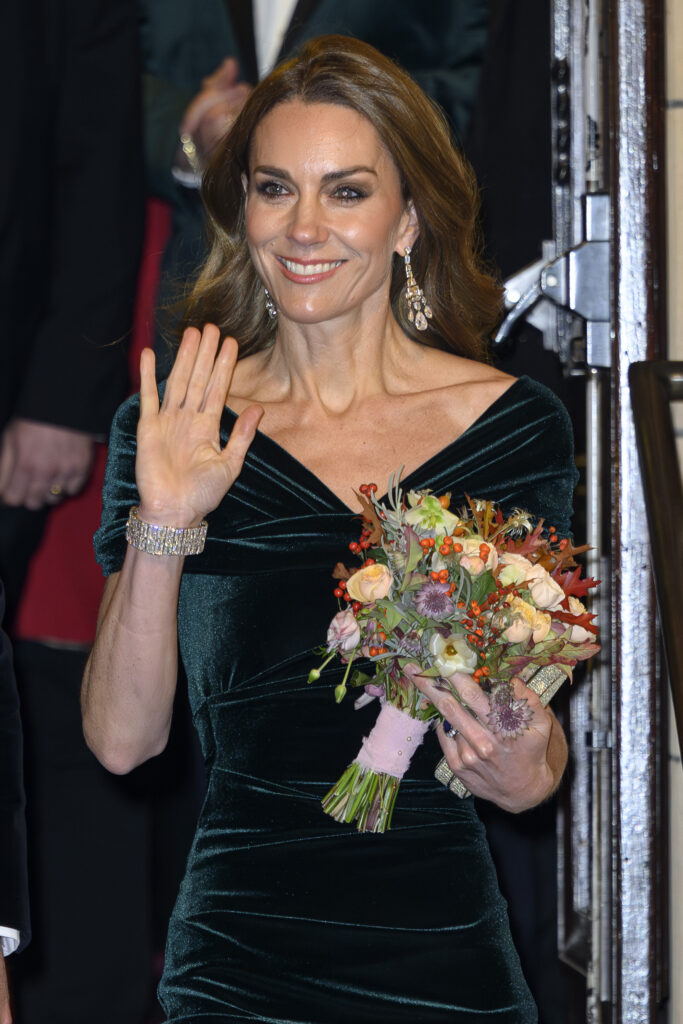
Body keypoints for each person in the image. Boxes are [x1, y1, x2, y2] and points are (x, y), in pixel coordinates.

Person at [82, 36, 575, 1023]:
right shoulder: (178, 420)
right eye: (274, 188)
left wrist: (523, 758)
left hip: (445, 960)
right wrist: (163, 522)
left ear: (409, 219)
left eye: (345, 191)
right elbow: (124, 743)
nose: (304, 227)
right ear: (242, 209)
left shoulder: (510, 426)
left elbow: (530, 750)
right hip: (237, 961)